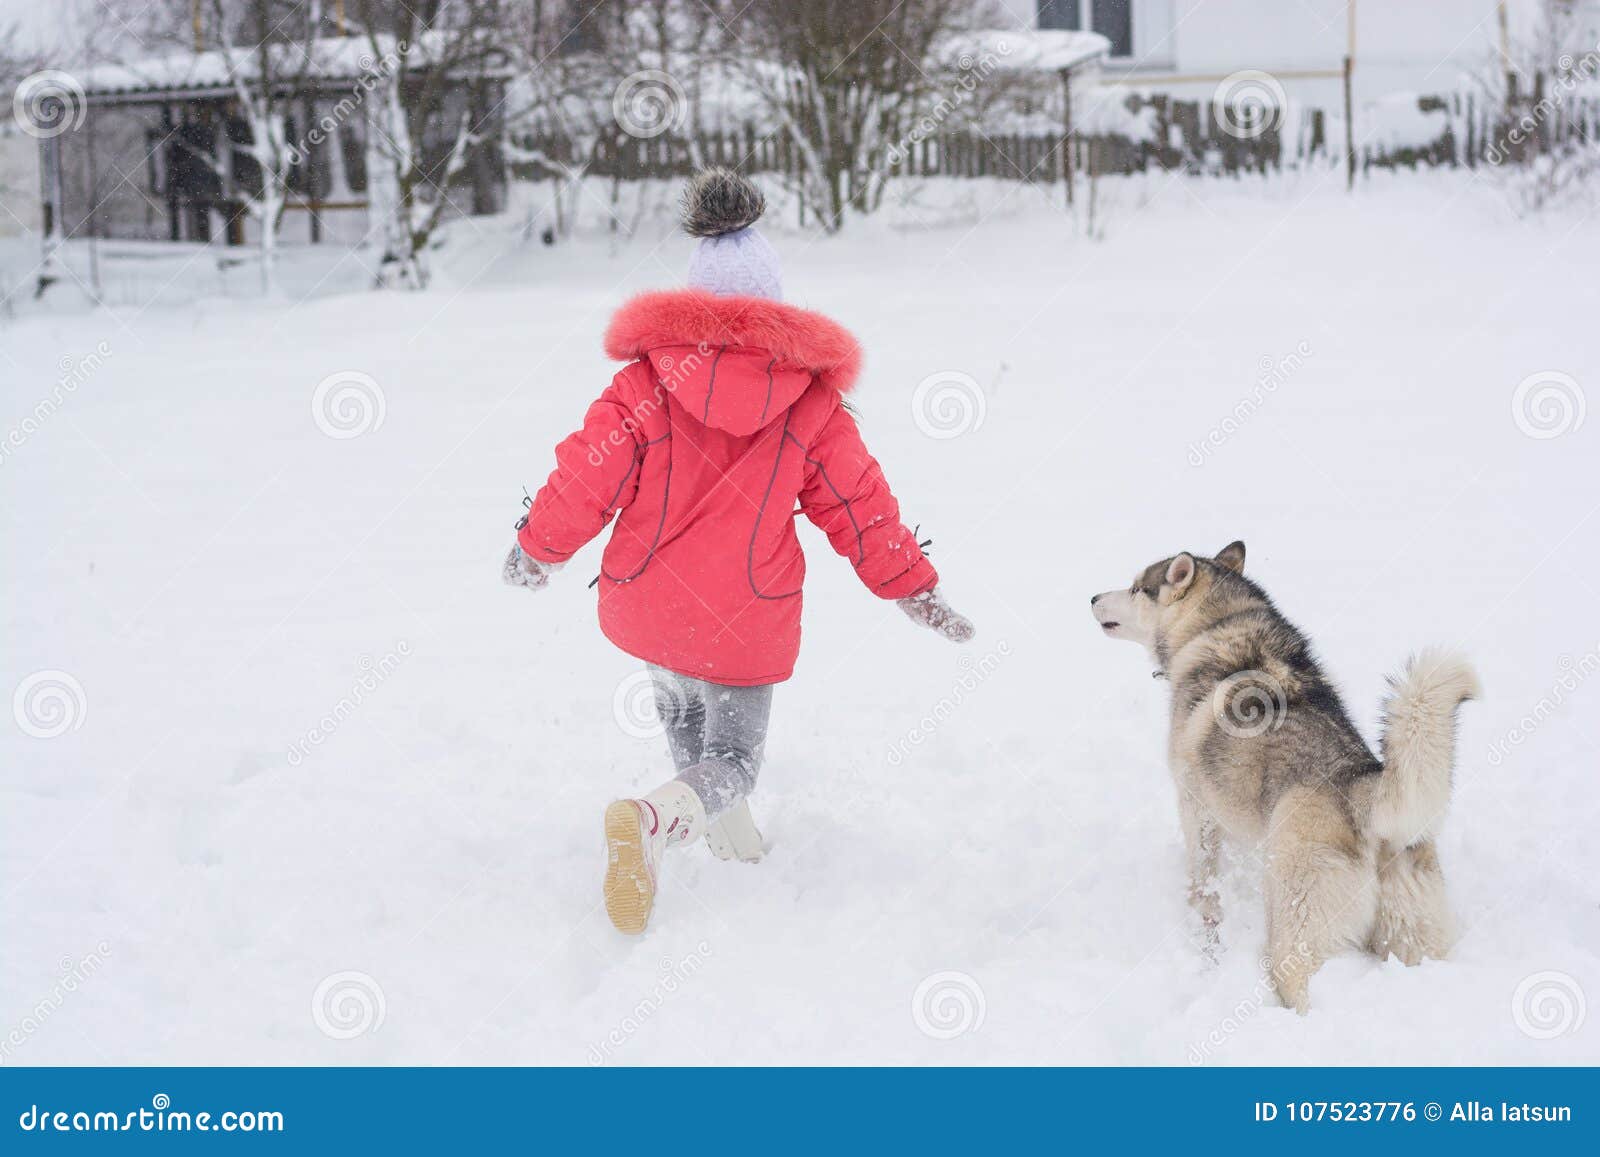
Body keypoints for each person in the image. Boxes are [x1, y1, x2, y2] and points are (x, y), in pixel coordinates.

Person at [504, 168, 974, 934]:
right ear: (775, 309)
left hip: (651, 606)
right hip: (745, 618)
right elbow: (860, 509)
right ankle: (653, 823)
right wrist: (913, 588)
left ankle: (735, 857)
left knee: (694, 741)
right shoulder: (811, 404)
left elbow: (585, 476)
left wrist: (537, 548)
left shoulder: (643, 384)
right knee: (732, 761)